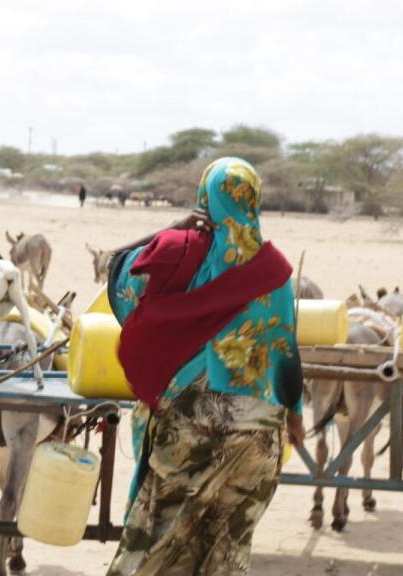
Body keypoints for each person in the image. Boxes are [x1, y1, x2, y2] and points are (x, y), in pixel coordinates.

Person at [105, 157, 305, 576]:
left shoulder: (180, 252)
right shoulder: (276, 272)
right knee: (226, 550)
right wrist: (295, 415)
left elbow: (119, 274)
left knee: (157, 542)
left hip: (192, 424)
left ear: (205, 198)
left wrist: (174, 227)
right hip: (259, 433)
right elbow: (286, 350)